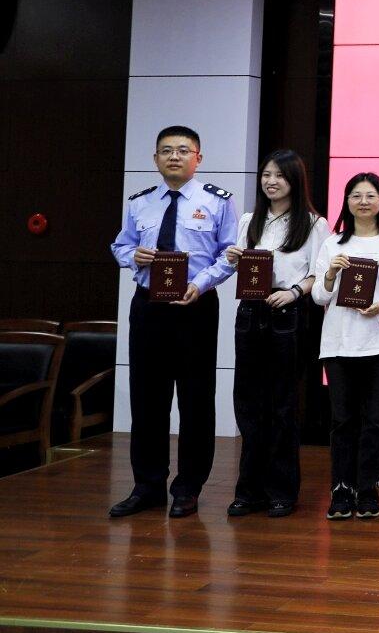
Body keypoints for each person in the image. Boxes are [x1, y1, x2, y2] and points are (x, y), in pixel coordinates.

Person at [108, 125, 238, 519]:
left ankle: (188, 487)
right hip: (149, 306)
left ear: (198, 157)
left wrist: (201, 283)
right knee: (148, 397)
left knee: (196, 398)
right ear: (155, 159)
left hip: (195, 307)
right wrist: (133, 256)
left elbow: (229, 254)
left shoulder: (217, 201)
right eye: (166, 151)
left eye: (183, 150)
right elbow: (120, 244)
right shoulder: (140, 202)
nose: (174, 157)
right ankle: (147, 486)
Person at [223, 149, 327, 519]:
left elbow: (319, 274)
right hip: (250, 313)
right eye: (266, 175)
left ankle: (282, 490)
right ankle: (249, 491)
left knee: (283, 404)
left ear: (295, 180)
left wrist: (295, 292)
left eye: (279, 176)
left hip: (288, 314)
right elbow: (243, 269)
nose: (271, 181)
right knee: (248, 403)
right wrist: (234, 260)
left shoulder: (313, 224)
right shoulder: (249, 220)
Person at [311, 172, 379, 520]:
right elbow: (319, 296)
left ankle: (369, 488)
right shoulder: (333, 244)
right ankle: (341, 488)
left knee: (374, 419)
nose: (363, 202)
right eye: (356, 196)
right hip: (339, 343)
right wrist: (330, 274)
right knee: (342, 419)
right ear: (347, 202)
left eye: (370, 195)